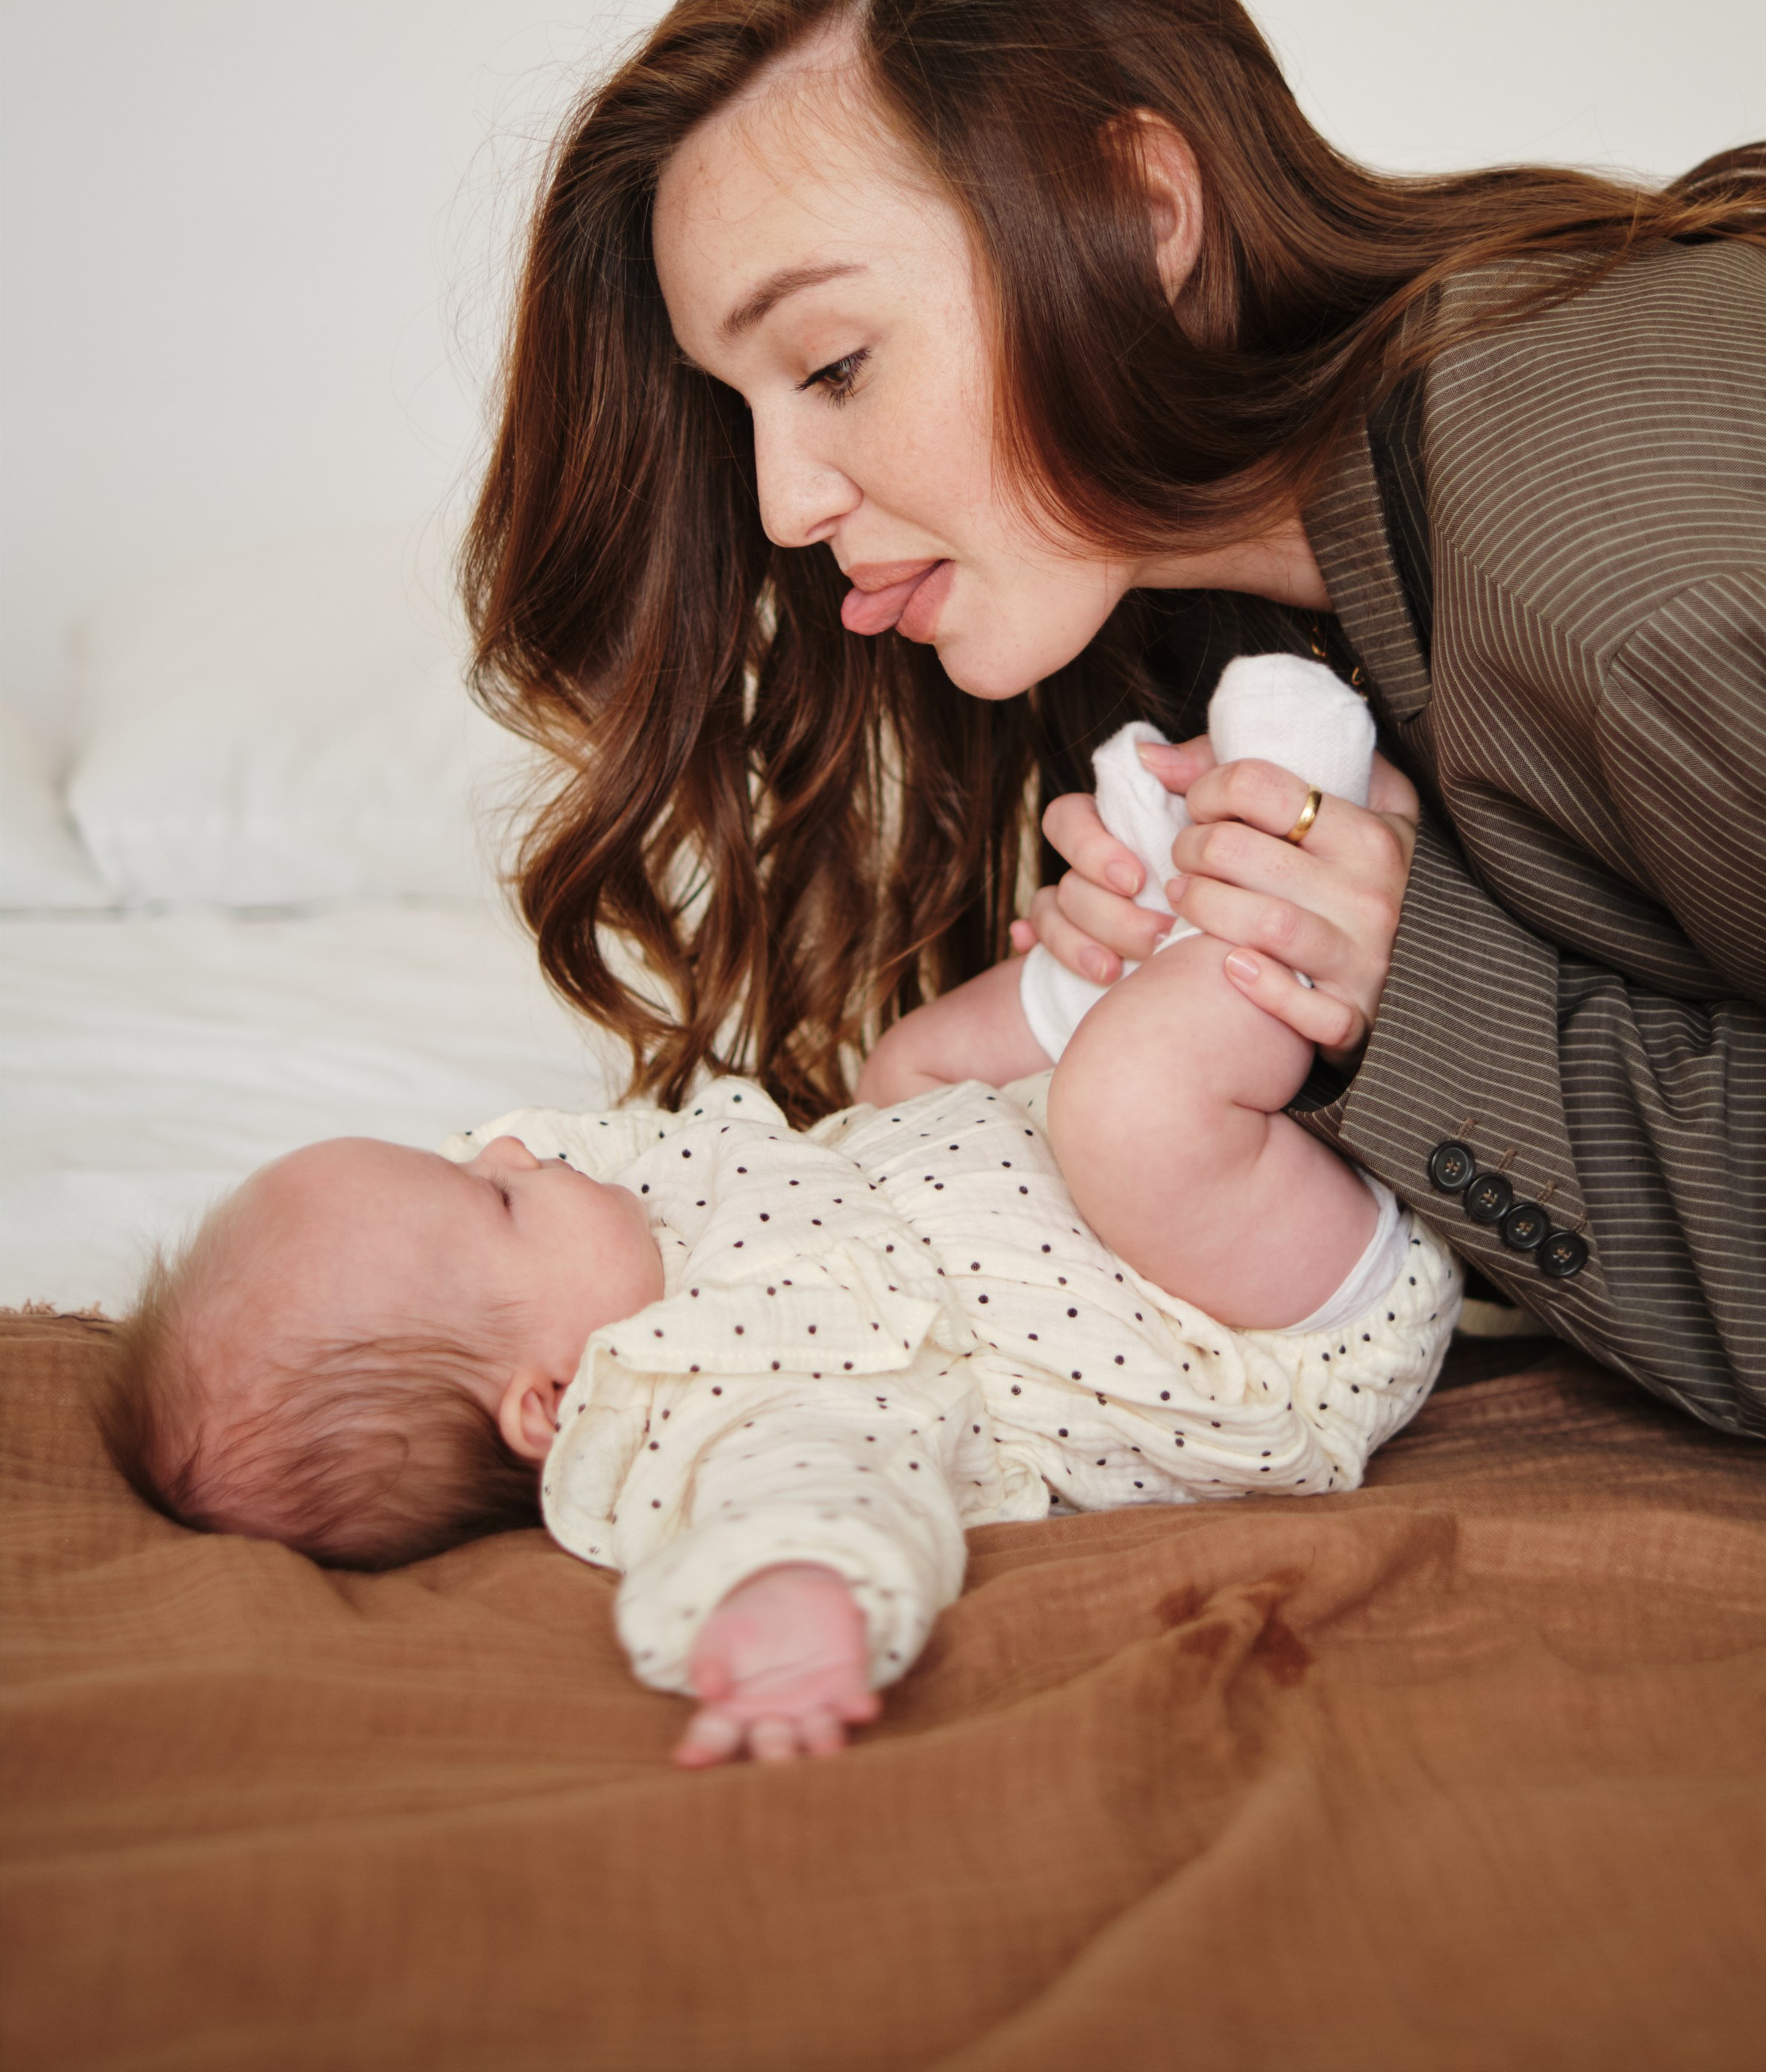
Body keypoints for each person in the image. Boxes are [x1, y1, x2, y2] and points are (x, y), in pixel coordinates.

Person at [464, 0, 1766, 1548]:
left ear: (1140, 214)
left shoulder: (1616, 571)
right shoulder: (1256, 611)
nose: (781, 507)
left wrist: (1414, 990)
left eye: (835, 365)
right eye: (743, 407)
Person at [99, 711, 1462, 1766]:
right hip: (1251, 1328)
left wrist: (489, 1198)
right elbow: (821, 1494)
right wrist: (793, 1601)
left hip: (1019, 1192)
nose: (513, 1149)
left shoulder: (614, 1233)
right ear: (547, 1404)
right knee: (1127, 1109)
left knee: (903, 1066)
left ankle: (1141, 946)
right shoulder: (723, 1411)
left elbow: (570, 1157)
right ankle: (1265, 907)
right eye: (492, 1197)